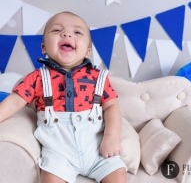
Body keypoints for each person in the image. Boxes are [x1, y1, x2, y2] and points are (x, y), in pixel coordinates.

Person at [0, 11, 127, 183]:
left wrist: (111, 137)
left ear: (87, 51)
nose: (66, 34)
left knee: (118, 173)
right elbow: (14, 102)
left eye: (77, 32)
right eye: (57, 30)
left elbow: (112, 106)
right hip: (59, 153)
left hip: (97, 149)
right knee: (49, 177)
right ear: (44, 47)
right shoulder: (37, 78)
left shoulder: (98, 78)